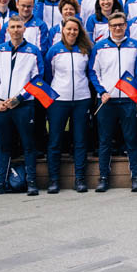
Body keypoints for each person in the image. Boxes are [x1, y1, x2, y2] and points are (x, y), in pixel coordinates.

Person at [88, 12, 137, 192]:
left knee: (131, 140)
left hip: (128, 100)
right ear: (109, 27)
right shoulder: (100, 46)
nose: (118, 28)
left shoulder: (135, 46)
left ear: (126, 25)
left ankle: (135, 177)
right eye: (114, 25)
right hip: (107, 100)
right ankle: (103, 177)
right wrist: (102, 91)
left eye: (120, 25)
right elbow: (93, 72)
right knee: (105, 140)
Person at [0, 16, 43, 196]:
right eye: (12, 27)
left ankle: (31, 182)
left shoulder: (33, 51)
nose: (15, 30)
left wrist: (19, 98)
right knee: (4, 146)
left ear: (24, 29)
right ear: (7, 30)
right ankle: (0, 184)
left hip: (23, 105)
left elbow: (37, 79)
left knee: (28, 145)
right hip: (2, 106)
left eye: (19, 26)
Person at [45, 17, 93, 193]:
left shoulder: (85, 49)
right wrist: (55, 94)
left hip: (81, 99)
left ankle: (80, 179)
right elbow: (48, 75)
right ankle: (54, 180)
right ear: (63, 30)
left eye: (75, 29)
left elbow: (89, 73)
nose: (72, 32)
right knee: (55, 141)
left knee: (80, 140)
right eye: (69, 29)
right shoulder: (54, 50)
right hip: (59, 100)